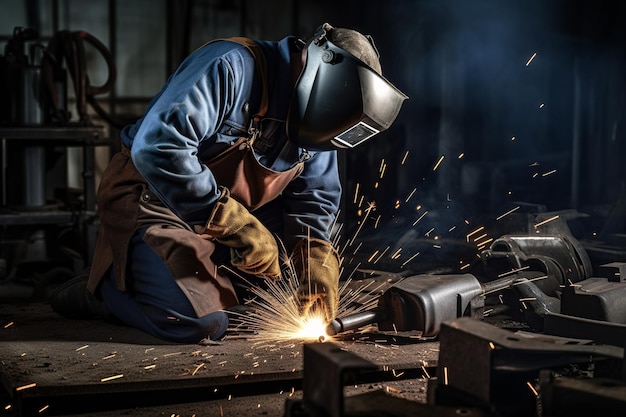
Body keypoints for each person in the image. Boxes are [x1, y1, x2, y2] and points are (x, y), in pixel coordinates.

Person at [51, 22, 407, 343]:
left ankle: (189, 283)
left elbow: (314, 200)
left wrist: (315, 261)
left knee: (264, 311)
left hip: (232, 225)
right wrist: (231, 222)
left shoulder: (318, 120)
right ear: (320, 71)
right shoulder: (229, 67)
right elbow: (159, 147)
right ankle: (105, 292)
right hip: (157, 202)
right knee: (199, 323)